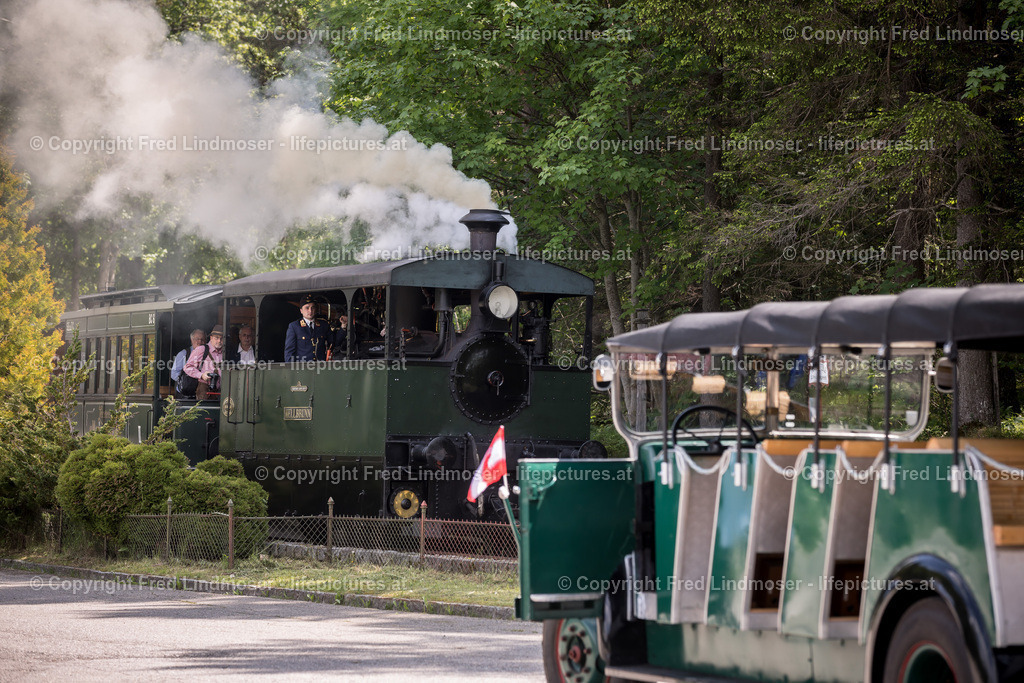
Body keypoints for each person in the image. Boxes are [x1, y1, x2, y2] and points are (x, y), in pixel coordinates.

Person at [184, 324, 224, 400]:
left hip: (220, 392)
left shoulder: (225, 353)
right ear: (211, 338)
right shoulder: (201, 349)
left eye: (221, 338)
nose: (219, 341)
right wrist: (201, 375)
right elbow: (187, 367)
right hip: (204, 390)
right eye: (216, 338)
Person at [284, 295, 329, 361]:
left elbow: (334, 342)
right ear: (301, 310)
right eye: (307, 308)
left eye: (312, 308)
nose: (310, 311)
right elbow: (289, 352)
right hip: (303, 368)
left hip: (321, 367)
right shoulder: (294, 326)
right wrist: (291, 370)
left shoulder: (323, 325)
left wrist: (343, 326)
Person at [171, 329, 205, 397]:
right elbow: (174, 373)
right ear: (191, 340)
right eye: (197, 339)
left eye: (202, 339)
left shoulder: (208, 354)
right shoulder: (183, 354)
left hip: (201, 393)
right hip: (185, 395)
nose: (200, 342)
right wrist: (185, 382)